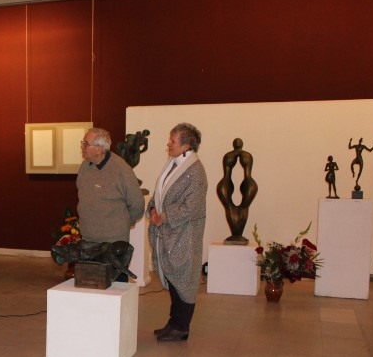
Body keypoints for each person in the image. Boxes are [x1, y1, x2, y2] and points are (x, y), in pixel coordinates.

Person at [148, 123, 207, 342]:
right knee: (174, 281)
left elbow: (193, 207)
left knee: (184, 281)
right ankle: (174, 323)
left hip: (185, 236)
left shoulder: (196, 171)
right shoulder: (174, 164)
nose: (168, 144)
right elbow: (160, 193)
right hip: (171, 234)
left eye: (172, 141)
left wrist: (164, 216)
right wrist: (153, 209)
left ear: (186, 145)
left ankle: (181, 327)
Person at [77, 127, 145, 281]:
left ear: (99, 149)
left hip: (114, 243)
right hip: (88, 241)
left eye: (86, 143)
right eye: (83, 143)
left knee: (115, 287)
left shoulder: (121, 169)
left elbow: (137, 204)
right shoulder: (85, 167)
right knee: (91, 285)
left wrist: (124, 222)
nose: (82, 147)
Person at [215, 137, 257, 244]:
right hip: (241, 183)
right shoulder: (247, 155)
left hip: (235, 183)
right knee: (234, 207)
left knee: (236, 207)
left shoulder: (228, 155)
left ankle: (237, 234)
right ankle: (237, 234)